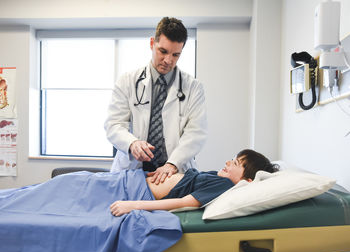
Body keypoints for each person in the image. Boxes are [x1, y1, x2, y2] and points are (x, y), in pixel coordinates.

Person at [104, 17, 207, 185]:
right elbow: (113, 124)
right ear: (152, 43)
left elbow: (196, 133)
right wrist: (132, 143)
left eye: (176, 55)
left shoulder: (193, 87)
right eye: (163, 51)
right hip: (132, 170)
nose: (168, 60)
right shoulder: (127, 81)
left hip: (173, 172)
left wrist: (173, 163)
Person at [110, 149, 280, 216]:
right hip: (134, 179)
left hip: (135, 191)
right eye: (232, 159)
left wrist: (132, 205)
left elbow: (182, 202)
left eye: (234, 163)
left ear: (247, 181)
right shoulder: (220, 178)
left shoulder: (225, 186)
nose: (227, 162)